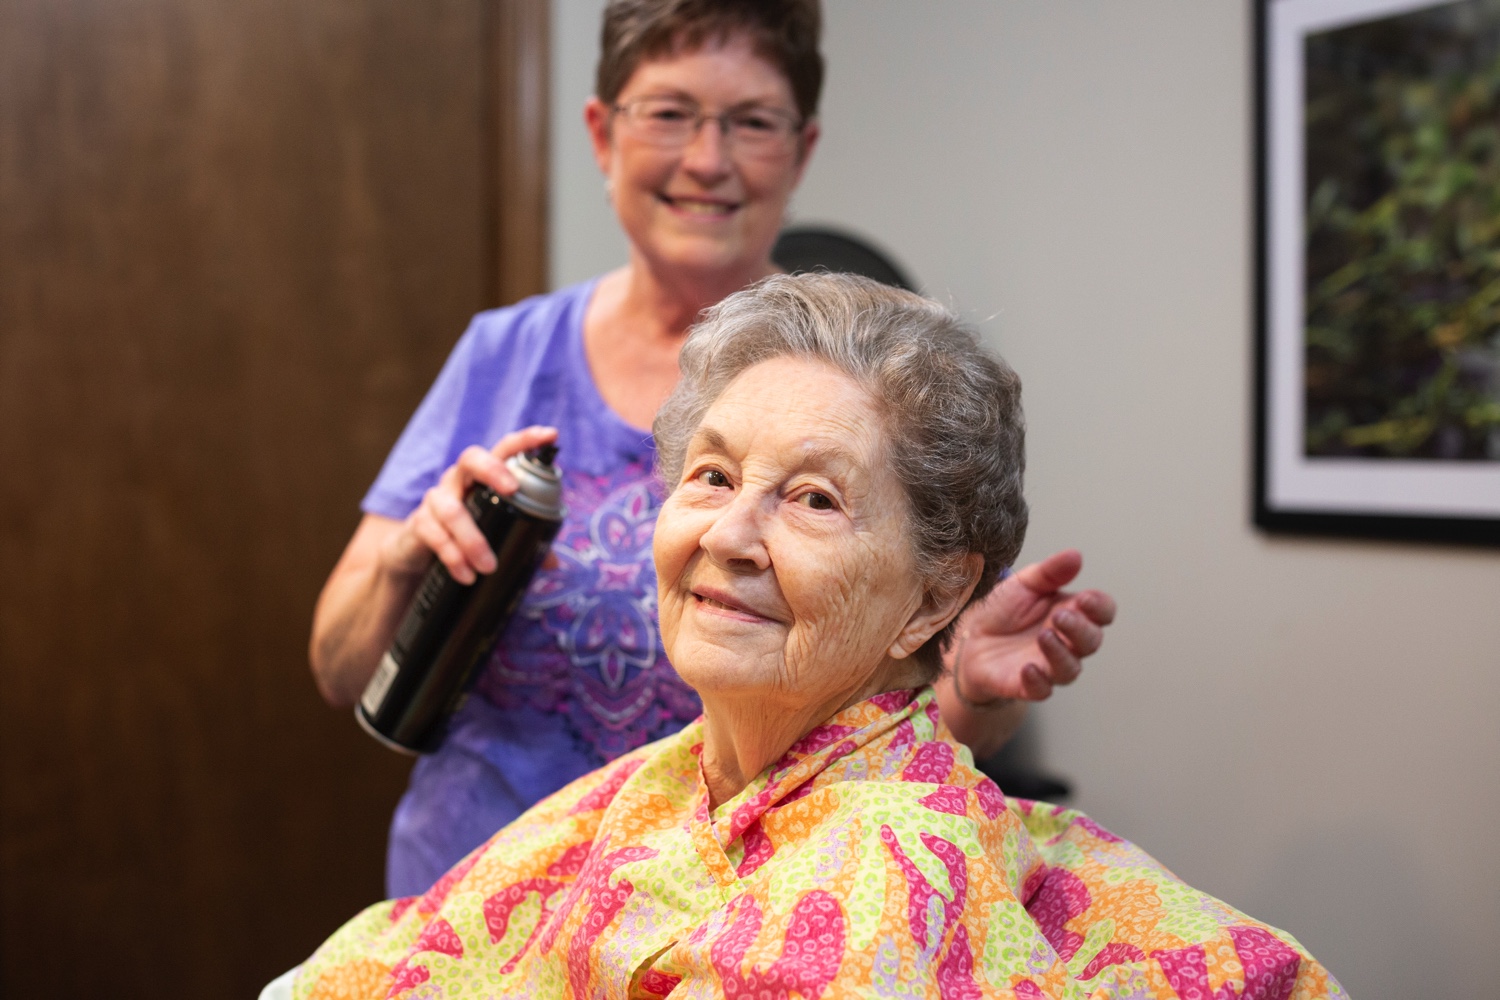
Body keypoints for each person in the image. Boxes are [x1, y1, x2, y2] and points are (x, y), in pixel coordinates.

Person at [286, 274, 1340, 1000]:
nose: (729, 536)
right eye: (710, 476)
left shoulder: (873, 874)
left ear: (936, 598)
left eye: (815, 500)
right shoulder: (676, 784)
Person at [309, 0, 1117, 899]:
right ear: (601, 133)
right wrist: (402, 561)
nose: (707, 160)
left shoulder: (875, 386)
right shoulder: (504, 357)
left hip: (724, 915)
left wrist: (970, 690)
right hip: (478, 893)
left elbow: (890, 759)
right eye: (669, 112)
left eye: (752, 122)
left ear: (801, 151)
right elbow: (341, 668)